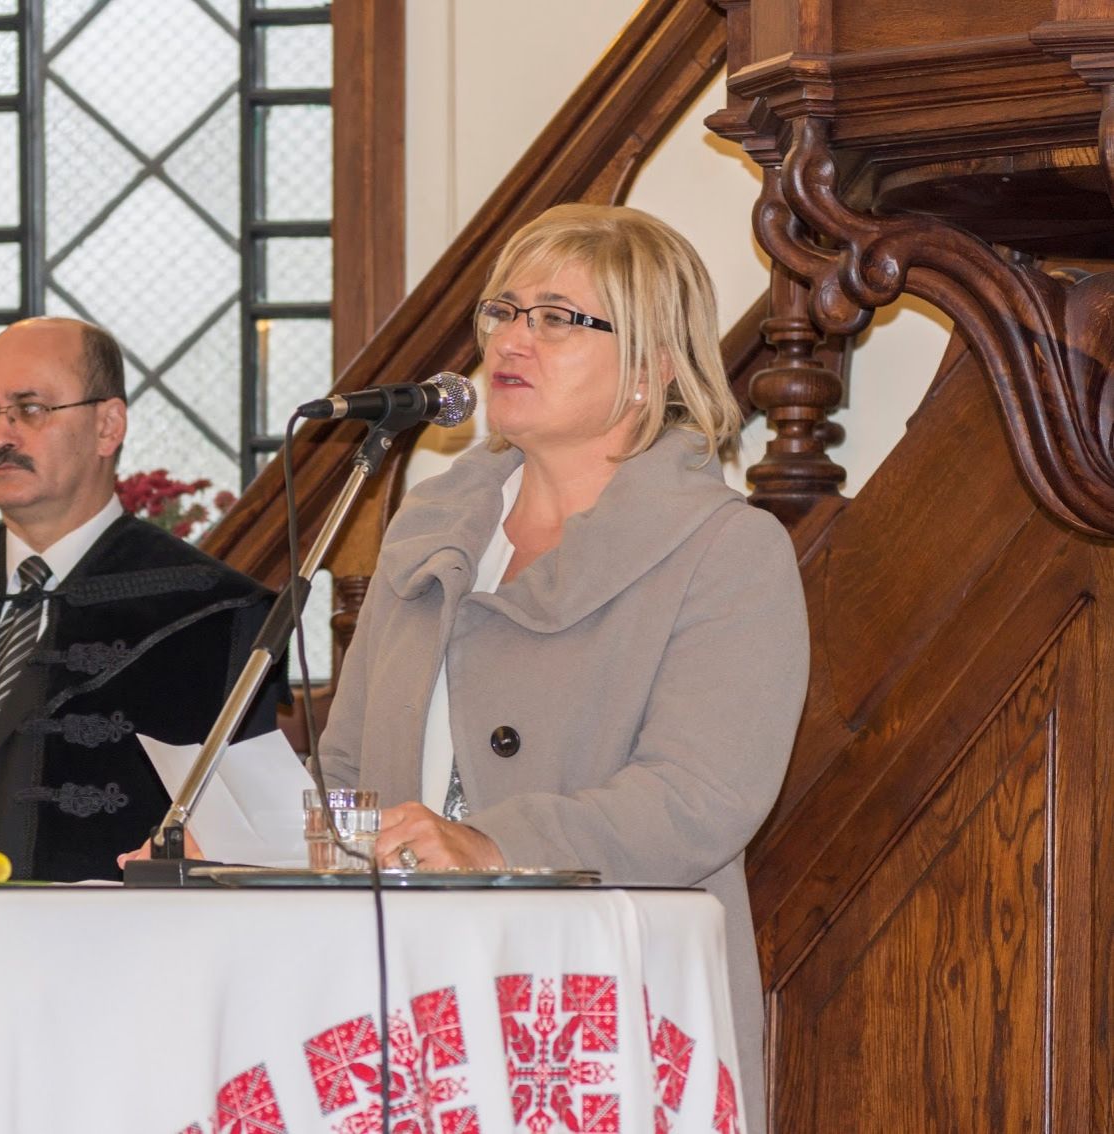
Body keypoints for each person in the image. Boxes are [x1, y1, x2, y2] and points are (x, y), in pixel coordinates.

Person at [317, 204, 808, 1130]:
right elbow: (346, 771)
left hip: (601, 1004)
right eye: (502, 311)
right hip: (403, 992)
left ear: (652, 366)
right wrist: (236, 853)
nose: (511, 339)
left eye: (556, 318)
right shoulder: (427, 532)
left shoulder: (724, 550)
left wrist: (495, 845)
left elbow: (700, 799)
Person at [0, 317, 283, 882]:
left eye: (30, 409)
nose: (0, 437)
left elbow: (247, 841)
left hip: (109, 929)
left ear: (107, 426)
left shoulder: (214, 618)